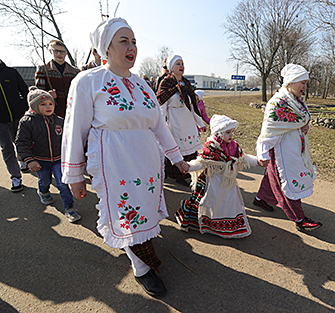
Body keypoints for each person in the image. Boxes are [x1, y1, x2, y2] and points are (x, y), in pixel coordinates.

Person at [61, 18, 189, 298]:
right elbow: (74, 130)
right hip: (115, 163)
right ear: (105, 47)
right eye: (124, 41)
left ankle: (143, 247)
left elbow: (158, 125)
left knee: (145, 209)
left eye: (134, 42)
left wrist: (177, 158)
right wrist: (73, 176)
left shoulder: (142, 84)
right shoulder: (88, 81)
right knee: (129, 214)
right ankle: (142, 267)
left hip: (147, 161)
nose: (132, 47)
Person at [253, 64, 322, 231]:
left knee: (275, 178)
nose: (305, 87)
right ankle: (299, 218)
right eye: (302, 83)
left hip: (294, 146)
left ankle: (261, 198)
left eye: (306, 83)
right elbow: (269, 130)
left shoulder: (296, 100)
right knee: (286, 182)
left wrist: (305, 126)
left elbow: (303, 119)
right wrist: (263, 153)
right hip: (280, 150)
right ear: (291, 82)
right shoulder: (278, 103)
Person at [175, 115, 259, 238]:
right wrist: (189, 166)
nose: (231, 135)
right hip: (213, 181)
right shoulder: (211, 147)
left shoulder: (233, 146)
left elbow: (244, 158)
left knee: (228, 202)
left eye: (232, 132)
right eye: (228, 132)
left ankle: (227, 224)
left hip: (228, 183)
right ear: (219, 133)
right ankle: (212, 224)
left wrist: (258, 161)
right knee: (213, 201)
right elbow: (200, 162)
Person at [16, 87, 80, 222]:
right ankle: (43, 192)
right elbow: (21, 142)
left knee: (63, 183)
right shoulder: (27, 122)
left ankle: (69, 208)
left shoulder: (59, 121)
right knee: (44, 180)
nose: (48, 107)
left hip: (58, 159)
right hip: (40, 160)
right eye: (43, 104)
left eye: (50, 103)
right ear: (34, 106)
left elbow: (68, 139)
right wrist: (29, 160)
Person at [157, 54, 206, 187]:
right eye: (178, 63)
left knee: (190, 151)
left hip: (188, 122)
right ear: (171, 67)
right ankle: (175, 175)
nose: (181, 66)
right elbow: (161, 106)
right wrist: (160, 126)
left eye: (182, 63)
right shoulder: (166, 83)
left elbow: (193, 106)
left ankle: (188, 173)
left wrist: (200, 123)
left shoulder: (186, 83)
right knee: (176, 149)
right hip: (175, 121)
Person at [0, 59, 29, 192]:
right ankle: (15, 176)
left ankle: (23, 160)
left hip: (18, 116)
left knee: (20, 142)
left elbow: (24, 90)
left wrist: (23, 107)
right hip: (1, 123)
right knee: (7, 148)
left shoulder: (11, 73)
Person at [35, 39, 80, 118]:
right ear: (50, 51)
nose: (59, 54)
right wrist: (48, 95)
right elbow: (39, 93)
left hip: (71, 111)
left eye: (62, 52)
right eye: (56, 51)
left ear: (66, 53)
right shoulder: (43, 70)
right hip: (51, 113)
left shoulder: (75, 72)